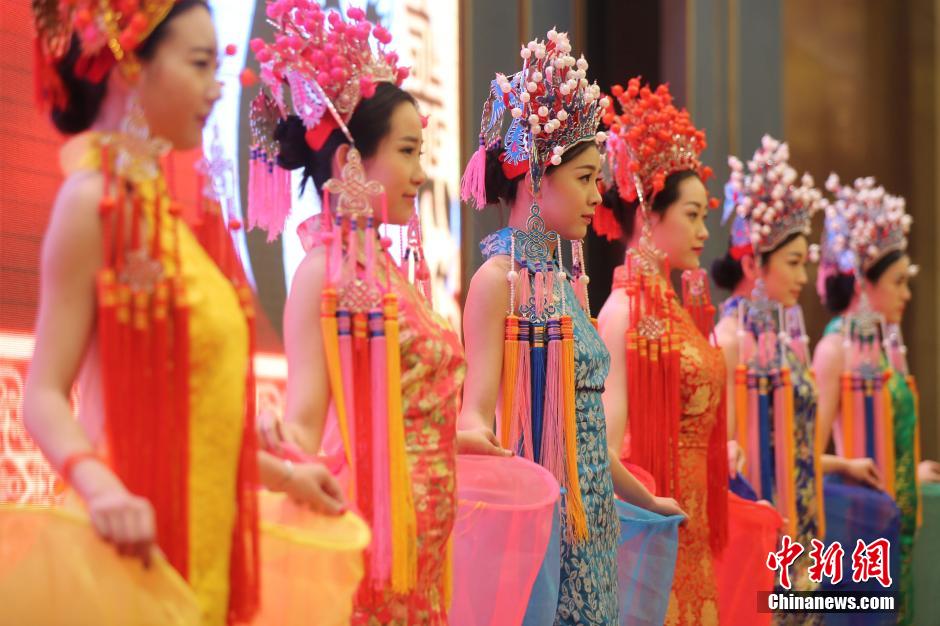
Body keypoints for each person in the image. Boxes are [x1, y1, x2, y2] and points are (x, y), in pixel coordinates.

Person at [24, 2, 259, 623]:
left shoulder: (164, 218)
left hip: (200, 546)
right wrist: (101, 489)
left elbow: (193, 410)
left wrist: (281, 475)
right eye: (200, 63)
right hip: (133, 547)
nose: (217, 88)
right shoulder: (91, 204)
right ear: (130, 65)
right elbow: (43, 393)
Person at [246, 4, 464, 624]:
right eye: (408, 151)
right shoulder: (321, 273)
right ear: (349, 162)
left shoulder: (392, 270)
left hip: (425, 547)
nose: (420, 175)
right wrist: (274, 449)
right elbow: (308, 421)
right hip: (374, 547)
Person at [457, 29, 630, 624]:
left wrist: (643, 496)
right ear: (535, 179)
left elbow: (587, 436)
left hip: (594, 525)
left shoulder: (569, 283)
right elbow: (475, 413)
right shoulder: (495, 283)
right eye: (584, 178)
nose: (595, 195)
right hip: (544, 528)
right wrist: (477, 439)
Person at [594, 77, 726, 625]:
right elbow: (607, 445)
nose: (702, 231)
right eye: (692, 214)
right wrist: (650, 506)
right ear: (649, 216)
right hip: (657, 518)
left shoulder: (675, 308)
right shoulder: (623, 310)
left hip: (688, 516)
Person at [712, 135, 831, 624]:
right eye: (793, 263)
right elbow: (731, 453)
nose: (803, 277)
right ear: (752, 263)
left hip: (803, 524)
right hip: (764, 528)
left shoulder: (784, 339)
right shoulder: (730, 338)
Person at [814, 174, 939, 624]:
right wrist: (848, 465)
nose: (907, 294)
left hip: (903, 518)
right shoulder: (836, 348)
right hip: (864, 525)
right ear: (866, 283)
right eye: (899, 282)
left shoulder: (888, 345)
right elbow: (807, 450)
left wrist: (910, 467)